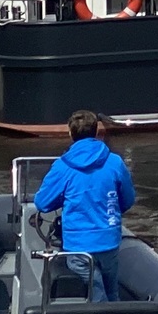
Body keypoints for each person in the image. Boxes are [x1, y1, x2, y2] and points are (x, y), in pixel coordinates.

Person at [33, 110, 136, 301]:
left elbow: (42, 202)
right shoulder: (115, 162)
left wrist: (62, 200)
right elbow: (128, 199)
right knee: (111, 290)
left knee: (96, 291)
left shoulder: (63, 167)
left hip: (78, 246)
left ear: (71, 134)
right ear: (97, 132)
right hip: (109, 240)